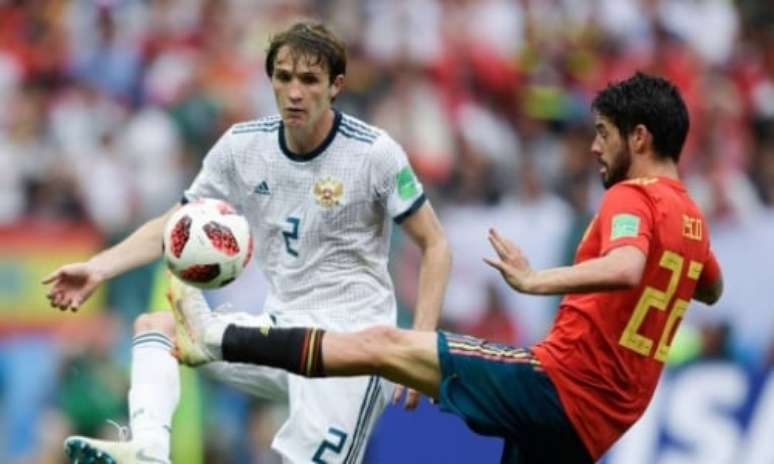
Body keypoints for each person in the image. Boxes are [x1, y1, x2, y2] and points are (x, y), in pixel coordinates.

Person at [169, 72, 724, 463]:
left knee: (383, 346)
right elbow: (710, 288)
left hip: (559, 385)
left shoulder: (633, 197)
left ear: (640, 137)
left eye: (603, 134)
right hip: (597, 426)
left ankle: (217, 338)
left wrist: (537, 280)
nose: (596, 149)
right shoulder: (691, 219)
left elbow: (627, 267)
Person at [44, 21, 452, 464]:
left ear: (336, 86)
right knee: (158, 327)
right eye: (283, 77)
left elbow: (435, 245)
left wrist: (418, 346)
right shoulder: (242, 147)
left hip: (352, 350)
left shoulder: (374, 153)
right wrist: (100, 267)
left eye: (309, 80)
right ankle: (148, 450)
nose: (294, 92)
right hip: (278, 331)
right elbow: (175, 224)